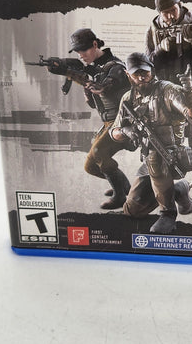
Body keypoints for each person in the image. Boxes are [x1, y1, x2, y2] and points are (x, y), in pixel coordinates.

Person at [110, 52, 192, 234]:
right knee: (131, 210)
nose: (141, 77)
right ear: (128, 75)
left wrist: (190, 92)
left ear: (152, 71)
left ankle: (168, 213)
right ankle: (178, 190)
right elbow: (114, 133)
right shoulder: (128, 99)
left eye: (144, 72)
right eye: (136, 74)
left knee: (155, 159)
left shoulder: (167, 91)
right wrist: (126, 131)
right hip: (149, 159)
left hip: (172, 155)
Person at [144, 0, 192, 214]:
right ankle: (171, 197)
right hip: (164, 98)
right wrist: (161, 49)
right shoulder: (153, 30)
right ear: (159, 13)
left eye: (173, 10)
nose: (170, 16)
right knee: (161, 148)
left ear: (181, 5)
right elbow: (147, 65)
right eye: (165, 13)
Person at [47, 28, 130, 209]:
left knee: (99, 153)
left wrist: (75, 75)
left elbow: (104, 86)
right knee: (90, 167)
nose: (81, 55)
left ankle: (120, 197)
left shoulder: (115, 67)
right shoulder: (95, 68)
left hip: (124, 123)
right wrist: (63, 69)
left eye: (83, 50)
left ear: (94, 44)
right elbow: (91, 93)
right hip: (108, 123)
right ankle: (125, 187)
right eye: (77, 51)